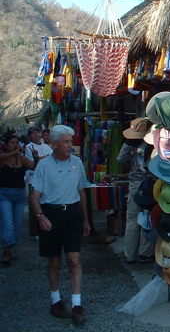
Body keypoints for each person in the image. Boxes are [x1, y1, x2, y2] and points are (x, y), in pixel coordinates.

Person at [30, 125, 91, 324]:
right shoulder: (44, 165)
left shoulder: (77, 163)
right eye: (66, 142)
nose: (70, 145)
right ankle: (56, 301)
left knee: (74, 259)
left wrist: (85, 219)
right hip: (51, 215)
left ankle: (76, 303)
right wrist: (40, 216)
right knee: (54, 261)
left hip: (72, 214)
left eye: (71, 141)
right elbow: (34, 196)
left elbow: (82, 192)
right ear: (54, 144)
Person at [117, 117, 154, 264]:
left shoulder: (129, 143)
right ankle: (145, 253)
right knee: (148, 218)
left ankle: (130, 254)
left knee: (132, 219)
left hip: (134, 183)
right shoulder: (151, 143)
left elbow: (121, 159)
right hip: (150, 183)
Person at [0, 135, 35, 264]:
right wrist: (13, 153)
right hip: (4, 194)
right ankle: (6, 252)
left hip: (19, 194)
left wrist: (36, 157)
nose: (15, 145)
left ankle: (9, 247)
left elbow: (34, 167)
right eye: (12, 143)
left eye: (17, 143)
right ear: (6, 145)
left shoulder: (22, 159)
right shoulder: (4, 159)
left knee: (17, 224)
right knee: (7, 222)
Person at [24, 126, 53, 240]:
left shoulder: (46, 146)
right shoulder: (29, 147)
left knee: (46, 203)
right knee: (34, 205)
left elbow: (52, 157)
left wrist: (42, 158)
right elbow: (32, 163)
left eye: (37, 132)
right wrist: (43, 158)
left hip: (47, 178)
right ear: (30, 136)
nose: (36, 134)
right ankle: (34, 231)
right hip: (34, 178)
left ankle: (46, 227)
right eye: (33, 133)